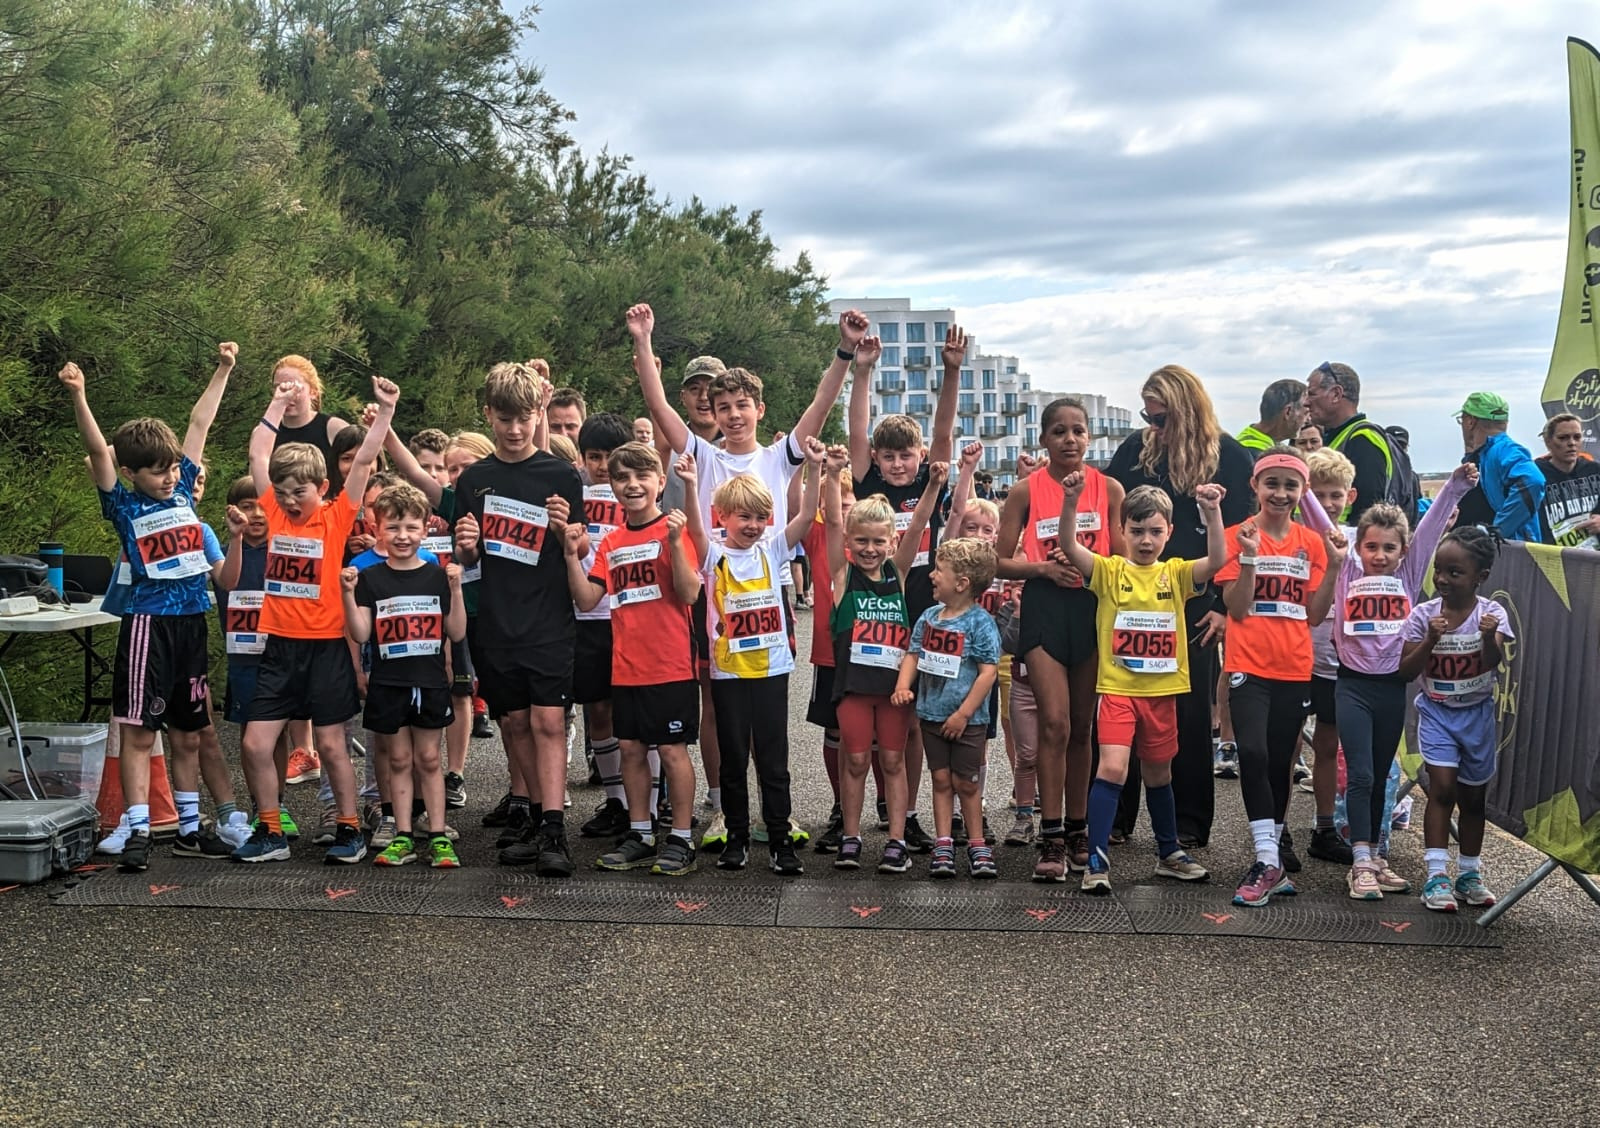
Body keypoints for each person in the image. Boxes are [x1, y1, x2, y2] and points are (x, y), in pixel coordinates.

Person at [629, 302, 855, 845]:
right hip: (716, 590)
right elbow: (659, 409)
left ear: (759, 409)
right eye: (722, 406)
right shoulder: (703, 457)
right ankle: (725, 811)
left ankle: (775, 814)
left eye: (741, 406)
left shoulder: (781, 456)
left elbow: (822, 405)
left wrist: (844, 351)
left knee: (767, 708)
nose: (732, 415)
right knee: (720, 703)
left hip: (770, 589)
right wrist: (643, 341)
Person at [59, 345, 236, 871]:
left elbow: (199, 421)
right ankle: (135, 826)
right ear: (131, 472)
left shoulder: (184, 494)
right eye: (156, 472)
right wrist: (80, 396)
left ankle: (187, 825)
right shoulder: (123, 503)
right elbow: (96, 451)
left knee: (188, 730)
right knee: (139, 729)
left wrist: (223, 368)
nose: (168, 478)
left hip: (190, 625)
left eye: (172, 469)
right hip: (147, 625)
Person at [232, 372, 398, 863]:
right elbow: (259, 453)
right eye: (281, 493)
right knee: (256, 743)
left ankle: (349, 828)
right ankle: (270, 830)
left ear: (322, 488)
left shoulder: (336, 514)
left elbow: (365, 459)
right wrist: (276, 403)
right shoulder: (277, 514)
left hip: (326, 645)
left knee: (330, 746)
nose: (288, 501)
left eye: (299, 493)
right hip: (279, 645)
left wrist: (385, 412)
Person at [1105, 366, 1254, 849]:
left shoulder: (1229, 455)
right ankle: (1119, 818)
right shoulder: (1135, 449)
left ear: (1187, 412)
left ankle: (1188, 823)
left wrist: (1224, 609)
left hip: (1195, 600)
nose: (1155, 428)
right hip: (1132, 596)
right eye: (1149, 417)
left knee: (1189, 716)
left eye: (1162, 418)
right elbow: (1111, 511)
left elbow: (1238, 536)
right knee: (1121, 706)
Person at [1056, 477, 1226, 892]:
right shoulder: (1110, 571)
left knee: (1158, 773)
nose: (1146, 540)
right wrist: (1072, 500)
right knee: (1112, 767)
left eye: (1154, 531)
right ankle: (1097, 860)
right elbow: (1071, 545)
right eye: (1136, 531)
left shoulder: (1177, 573)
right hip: (1118, 691)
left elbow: (1218, 559)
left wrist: (1213, 512)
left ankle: (1168, 852)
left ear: (1169, 532)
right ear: (1122, 532)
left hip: (1161, 694)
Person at [452, 361, 585, 875]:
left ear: (538, 415)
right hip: (497, 621)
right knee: (513, 722)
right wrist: (467, 548)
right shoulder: (477, 480)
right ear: (488, 415)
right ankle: (529, 816)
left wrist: (563, 533)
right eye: (504, 418)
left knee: (550, 720)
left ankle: (555, 829)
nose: (514, 429)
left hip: (549, 617)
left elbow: (581, 544)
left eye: (524, 417)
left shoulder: (559, 474)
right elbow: (470, 558)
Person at [1328, 461, 1476, 900]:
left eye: (1389, 548)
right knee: (1360, 773)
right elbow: (1324, 521)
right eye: (1371, 546)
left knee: (1379, 777)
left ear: (1402, 552)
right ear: (1361, 547)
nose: (1379, 555)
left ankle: (1375, 855)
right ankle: (1359, 861)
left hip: (1392, 687)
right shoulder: (1350, 571)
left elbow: (1429, 531)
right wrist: (1302, 498)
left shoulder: (1409, 576)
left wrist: (1454, 487)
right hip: (1351, 685)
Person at [848, 327, 963, 853]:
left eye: (906, 456)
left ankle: (908, 811)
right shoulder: (868, 482)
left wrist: (953, 371)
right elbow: (856, 429)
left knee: (914, 719)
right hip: (877, 614)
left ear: (919, 457)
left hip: (924, 611)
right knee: (872, 716)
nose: (898, 465)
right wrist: (863, 371)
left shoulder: (929, 482)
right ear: (878, 457)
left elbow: (942, 431)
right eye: (888, 457)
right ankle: (865, 803)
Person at [1215, 447, 1346, 906]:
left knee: (1277, 764)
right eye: (1272, 483)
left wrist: (1332, 568)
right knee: (1250, 750)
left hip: (1294, 667)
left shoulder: (1312, 543)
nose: (1281, 493)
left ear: (1302, 491)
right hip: (1248, 664)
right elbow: (1236, 607)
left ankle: (1270, 863)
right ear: (1256, 486)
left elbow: (1313, 615)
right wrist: (1250, 558)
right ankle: (1267, 858)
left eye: (1291, 485)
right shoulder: (1237, 535)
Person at [569, 444, 703, 877]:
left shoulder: (674, 529)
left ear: (660, 483)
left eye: (642, 476)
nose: (632, 485)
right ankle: (640, 832)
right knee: (630, 749)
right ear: (612, 486)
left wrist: (676, 544)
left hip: (671, 665)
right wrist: (571, 554)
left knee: (671, 749)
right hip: (626, 666)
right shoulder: (611, 542)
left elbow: (689, 593)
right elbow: (589, 597)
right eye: (622, 478)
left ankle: (681, 837)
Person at [693, 453, 824, 873]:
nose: (753, 525)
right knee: (732, 757)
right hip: (729, 671)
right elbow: (695, 528)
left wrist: (814, 469)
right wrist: (690, 478)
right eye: (744, 517)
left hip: (770, 669)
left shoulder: (773, 549)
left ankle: (781, 840)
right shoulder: (713, 555)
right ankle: (736, 836)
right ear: (724, 517)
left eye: (761, 517)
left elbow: (805, 516)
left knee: (773, 758)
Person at [824, 445, 944, 872]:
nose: (870, 549)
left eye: (879, 542)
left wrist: (931, 485)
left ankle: (896, 841)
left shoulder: (898, 571)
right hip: (855, 689)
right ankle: (851, 837)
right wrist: (832, 473)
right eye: (862, 541)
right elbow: (834, 522)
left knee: (893, 760)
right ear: (849, 544)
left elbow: (918, 529)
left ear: (890, 542)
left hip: (895, 691)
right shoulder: (843, 574)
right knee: (855, 760)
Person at [341, 483, 467, 868]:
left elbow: (457, 631)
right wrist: (347, 593)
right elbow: (361, 633)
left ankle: (439, 835)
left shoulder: (436, 575)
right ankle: (402, 834)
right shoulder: (371, 578)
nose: (402, 536)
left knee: (429, 757)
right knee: (397, 758)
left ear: (426, 529)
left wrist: (457, 588)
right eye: (393, 527)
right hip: (389, 681)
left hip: (427, 680)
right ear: (378, 528)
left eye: (411, 527)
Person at [1398, 527, 1513, 911]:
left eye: (1455, 573)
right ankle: (1435, 876)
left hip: (1477, 717)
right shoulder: (1423, 615)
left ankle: (1469, 873)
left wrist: (1487, 637)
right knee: (1441, 789)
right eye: (1439, 571)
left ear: (1480, 577)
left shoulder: (1491, 614)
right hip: (1437, 714)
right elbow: (1405, 670)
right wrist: (1430, 640)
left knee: (1474, 798)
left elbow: (1493, 662)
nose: (1443, 580)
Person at [892, 537, 1002, 879]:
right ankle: (943, 844)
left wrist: (964, 714)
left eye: (939, 570)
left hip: (968, 721)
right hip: (930, 714)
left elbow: (988, 673)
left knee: (966, 782)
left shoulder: (980, 623)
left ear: (962, 583)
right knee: (940, 778)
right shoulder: (928, 617)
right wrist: (902, 686)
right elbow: (913, 653)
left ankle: (976, 844)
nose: (932, 576)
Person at [561, 412, 635, 840]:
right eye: (594, 456)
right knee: (599, 712)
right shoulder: (576, 492)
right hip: (586, 617)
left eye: (612, 456)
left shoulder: (637, 493)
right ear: (582, 458)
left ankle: (653, 798)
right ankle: (616, 801)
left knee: (638, 716)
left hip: (629, 618)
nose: (604, 465)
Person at [1301, 449, 1357, 865]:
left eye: (1336, 495)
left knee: (1333, 744)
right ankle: (1295, 830)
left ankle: (1334, 826)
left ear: (1350, 495)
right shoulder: (1298, 543)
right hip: (1301, 657)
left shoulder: (1358, 539)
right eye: (1319, 496)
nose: (1329, 505)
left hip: (1343, 664)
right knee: (1296, 746)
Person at [1305, 361, 1397, 524]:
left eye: (1311, 394)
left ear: (1336, 394)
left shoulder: (1364, 439)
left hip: (1346, 543)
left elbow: (1368, 509)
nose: (1306, 402)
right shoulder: (1339, 437)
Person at [1457, 392, 1544, 542]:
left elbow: (1534, 481)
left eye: (1462, 420)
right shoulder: (1486, 454)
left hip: (1517, 552)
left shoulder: (1504, 449)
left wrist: (1498, 530)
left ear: (1470, 421)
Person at [267, 354, 351, 463]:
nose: (287, 394)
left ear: (313, 392)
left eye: (294, 388)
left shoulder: (334, 429)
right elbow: (254, 476)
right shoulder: (267, 432)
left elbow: (361, 468)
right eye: (280, 387)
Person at [1534, 413, 1600, 546]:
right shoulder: (1536, 475)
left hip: (1593, 558)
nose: (1571, 443)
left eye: (1577, 437)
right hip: (1552, 557)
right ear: (1548, 441)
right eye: (1563, 438)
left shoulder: (1595, 470)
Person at [1236, 379, 1308, 454]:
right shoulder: (1255, 453)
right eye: (1306, 413)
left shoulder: (1250, 443)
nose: (1308, 420)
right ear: (1288, 412)